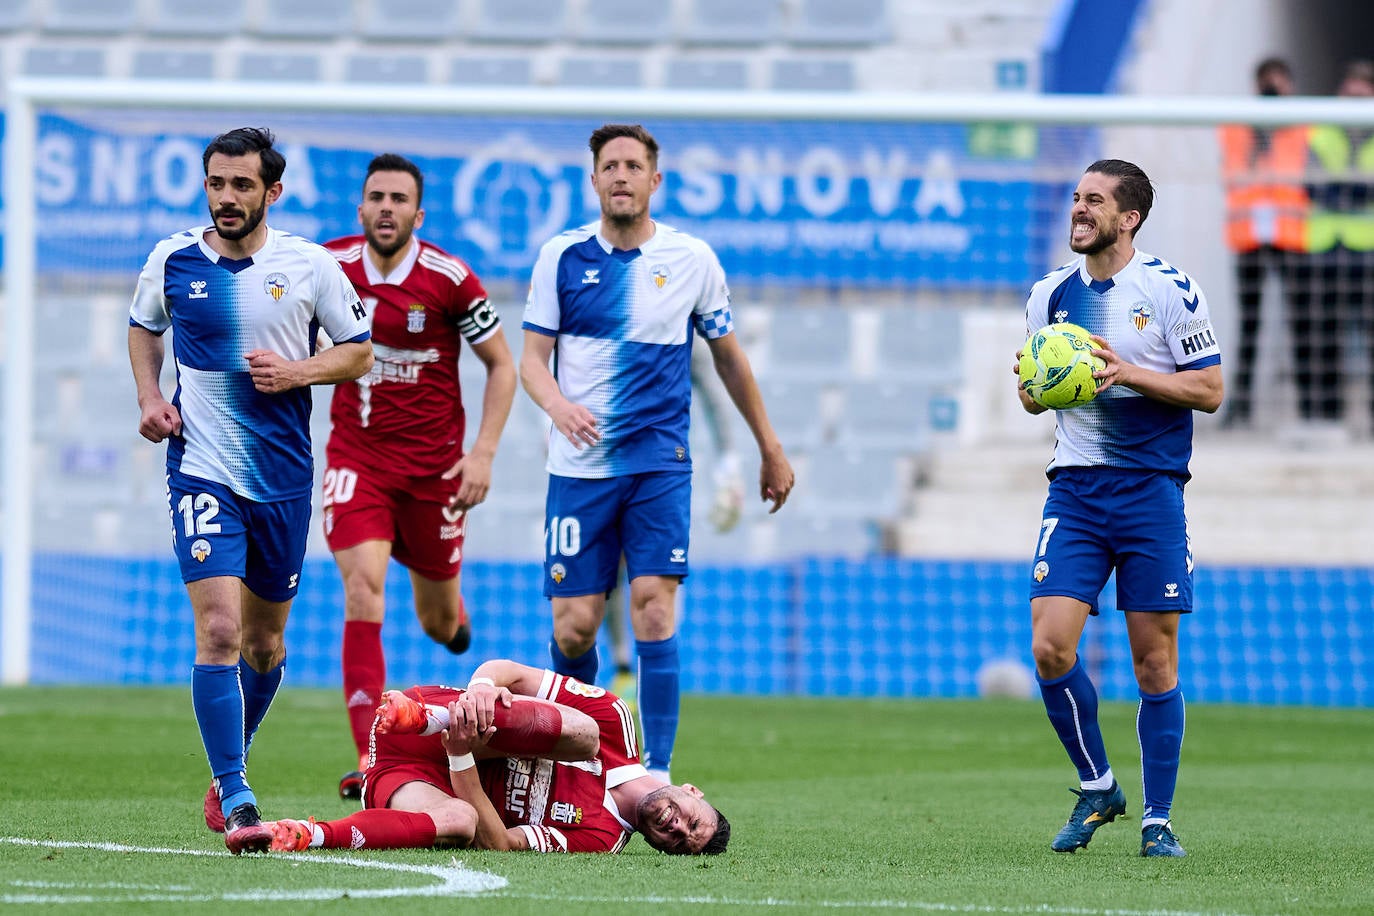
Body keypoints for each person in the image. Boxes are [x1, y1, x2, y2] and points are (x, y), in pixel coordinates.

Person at [519, 123, 794, 781]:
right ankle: (580, 761)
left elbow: (729, 359)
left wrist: (769, 447)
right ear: (594, 180)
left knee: (653, 604)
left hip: (658, 465)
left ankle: (655, 772)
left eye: (633, 165)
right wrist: (558, 405)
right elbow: (531, 360)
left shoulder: (692, 260)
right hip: (579, 470)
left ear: (654, 180)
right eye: (609, 165)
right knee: (575, 629)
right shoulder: (561, 257)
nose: (621, 175)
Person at [128, 127, 374, 854]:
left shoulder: (310, 266)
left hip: (281, 481)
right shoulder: (173, 260)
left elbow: (359, 351)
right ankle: (237, 793)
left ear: (272, 191)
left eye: (242, 185)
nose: (227, 197)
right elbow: (144, 328)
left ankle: (230, 758)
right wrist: (148, 395)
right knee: (222, 631)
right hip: (201, 469)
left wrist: (298, 373)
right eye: (216, 183)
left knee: (265, 646)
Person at [1012, 159, 1223, 858]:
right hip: (1074, 489)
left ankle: (1157, 819)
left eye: (1093, 201)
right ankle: (1098, 785)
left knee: (1153, 663)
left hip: (1150, 490)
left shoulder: (1169, 292)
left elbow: (1211, 389)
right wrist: (1038, 386)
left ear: (1128, 217)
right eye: (1076, 198)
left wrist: (1127, 371)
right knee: (1049, 646)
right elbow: (1033, 396)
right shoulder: (1048, 296)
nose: (1079, 209)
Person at [320, 153, 517, 802]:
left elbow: (503, 367)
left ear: (418, 214)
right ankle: (366, 756)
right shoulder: (330, 268)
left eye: (399, 199)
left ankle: (454, 621)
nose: (386, 208)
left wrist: (482, 453)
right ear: (360, 208)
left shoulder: (451, 279)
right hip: (359, 461)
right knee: (363, 592)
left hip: (435, 475)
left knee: (437, 624)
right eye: (376, 197)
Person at [260, 659, 731, 855]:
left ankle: (305, 834)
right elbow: (506, 672)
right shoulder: (615, 720)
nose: (678, 828)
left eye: (680, 842)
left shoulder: (603, 838)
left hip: (404, 777)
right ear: (691, 791)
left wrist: (461, 758)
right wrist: (484, 687)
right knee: (583, 734)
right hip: (427, 715)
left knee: (462, 822)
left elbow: (500, 843)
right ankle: (425, 718)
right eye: (694, 820)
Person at [605, 343, 746, 704]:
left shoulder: (683, 328)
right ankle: (623, 667)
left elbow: (715, 397)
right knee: (612, 568)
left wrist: (729, 464)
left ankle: (652, 665)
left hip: (667, 469)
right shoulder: (611, 318)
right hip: (608, 462)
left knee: (662, 574)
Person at [1217, 56, 1312, 428]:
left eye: (1278, 82)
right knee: (1249, 325)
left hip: (1290, 236)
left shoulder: (1302, 127)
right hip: (1250, 237)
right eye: (1267, 83)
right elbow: (1235, 172)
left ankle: (1308, 408)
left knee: (1301, 323)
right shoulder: (1240, 127)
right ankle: (1241, 406)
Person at [1307, 59, 1374, 428]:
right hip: (1327, 248)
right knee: (1325, 334)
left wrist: (1340, 189)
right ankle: (1327, 416)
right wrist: (1356, 190)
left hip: (1368, 247)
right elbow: (1311, 184)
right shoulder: (1321, 132)